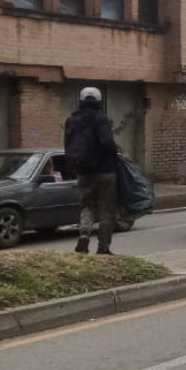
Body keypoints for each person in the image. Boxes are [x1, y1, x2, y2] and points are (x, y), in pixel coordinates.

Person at [64, 87, 120, 255]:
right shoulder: (101, 119)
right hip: (105, 171)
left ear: (81, 101)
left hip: (83, 172)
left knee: (86, 206)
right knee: (106, 208)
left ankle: (84, 235)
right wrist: (115, 153)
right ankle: (103, 247)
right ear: (99, 101)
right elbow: (106, 142)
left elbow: (67, 145)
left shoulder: (71, 121)